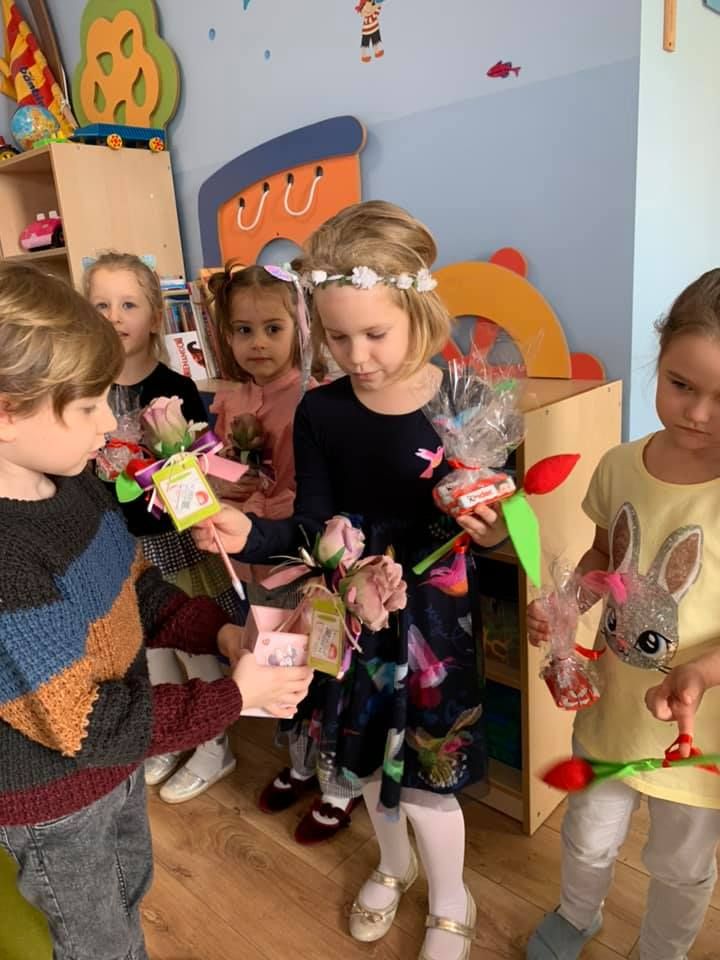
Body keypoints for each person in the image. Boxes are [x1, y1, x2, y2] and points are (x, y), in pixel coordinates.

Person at [194, 201, 508, 959]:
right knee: (362, 758)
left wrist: (494, 530)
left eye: (374, 334)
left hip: (433, 620)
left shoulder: (464, 398)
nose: (356, 356)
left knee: (429, 773)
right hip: (350, 609)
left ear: (418, 313)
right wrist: (250, 533)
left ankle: (452, 899)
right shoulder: (322, 411)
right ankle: (394, 865)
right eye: (337, 337)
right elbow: (312, 524)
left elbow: (501, 525)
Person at [0, 261, 312, 959]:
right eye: (87, 406)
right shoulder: (7, 561)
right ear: (7, 412)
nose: (109, 423)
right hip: (54, 801)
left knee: (130, 887)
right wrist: (234, 697)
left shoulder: (73, 481)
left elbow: (135, 586)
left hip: (113, 766)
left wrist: (219, 630)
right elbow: (84, 722)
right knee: (96, 940)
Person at [526, 269, 720, 960]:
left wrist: (700, 673)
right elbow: (604, 556)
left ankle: (663, 951)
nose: (698, 413)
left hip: (696, 734)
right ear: (659, 359)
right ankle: (578, 915)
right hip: (610, 710)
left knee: (682, 865)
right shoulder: (619, 465)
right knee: (587, 838)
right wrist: (565, 606)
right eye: (681, 385)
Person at [85, 251, 243, 804]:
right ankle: (170, 735)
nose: (114, 316)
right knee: (146, 649)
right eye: (101, 305)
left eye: (128, 304)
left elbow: (198, 473)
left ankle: (214, 745)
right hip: (115, 547)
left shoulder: (174, 388)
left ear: (155, 315)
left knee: (194, 647)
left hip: (172, 543)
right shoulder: (85, 389)